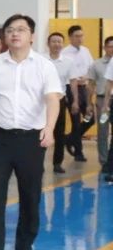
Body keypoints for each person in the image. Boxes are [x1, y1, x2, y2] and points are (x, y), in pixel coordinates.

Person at [0, 13, 61, 250]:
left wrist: (49, 128)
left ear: (31, 36)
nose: (14, 34)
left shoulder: (44, 66)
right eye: (10, 29)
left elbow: (53, 99)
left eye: (21, 29)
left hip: (30, 140)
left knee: (30, 197)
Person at [61, 25, 95, 161]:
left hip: (85, 89)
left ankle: (70, 139)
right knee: (75, 122)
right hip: (71, 89)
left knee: (90, 119)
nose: (80, 38)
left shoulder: (85, 51)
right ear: (70, 37)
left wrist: (86, 77)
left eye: (81, 35)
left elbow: (91, 68)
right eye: (77, 36)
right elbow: (64, 74)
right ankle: (78, 153)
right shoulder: (64, 53)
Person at [47, 32, 79, 174]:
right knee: (37, 131)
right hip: (41, 102)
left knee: (59, 133)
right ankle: (35, 162)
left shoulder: (68, 62)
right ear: (48, 44)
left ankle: (57, 163)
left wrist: (75, 101)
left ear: (63, 44)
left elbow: (73, 82)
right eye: (54, 41)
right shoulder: (41, 60)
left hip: (59, 100)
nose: (57, 44)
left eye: (59, 41)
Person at [91, 36, 113, 169]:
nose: (112, 49)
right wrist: (89, 102)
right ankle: (104, 161)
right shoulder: (96, 64)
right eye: (110, 46)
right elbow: (91, 83)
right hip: (102, 101)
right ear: (104, 47)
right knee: (103, 131)